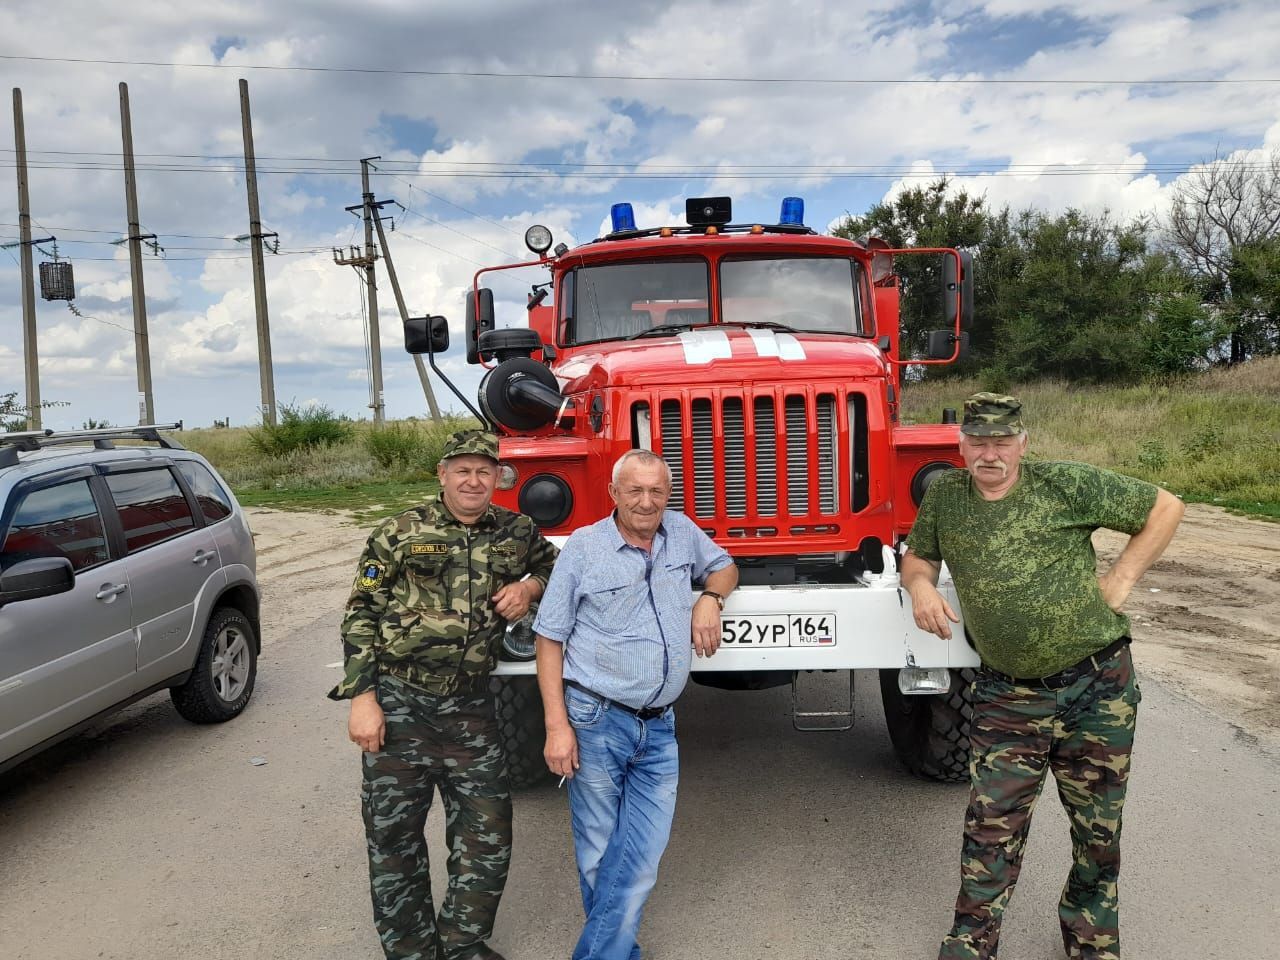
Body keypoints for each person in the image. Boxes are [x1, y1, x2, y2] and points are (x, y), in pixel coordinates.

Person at [902, 393, 1185, 960]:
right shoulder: (947, 498)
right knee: (991, 828)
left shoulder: (1063, 484)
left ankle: (1091, 939)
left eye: (1002, 442)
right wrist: (920, 586)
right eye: (978, 442)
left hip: (1096, 688)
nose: (990, 454)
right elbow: (919, 556)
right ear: (961, 446)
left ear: (1022, 443)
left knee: (1097, 832)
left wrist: (1123, 576)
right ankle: (970, 942)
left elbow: (1165, 507)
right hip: (1008, 695)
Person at [328, 428, 559, 960]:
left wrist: (528, 588)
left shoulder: (517, 530)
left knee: (487, 836)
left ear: (497, 478)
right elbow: (360, 612)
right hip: (400, 703)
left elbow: (554, 566)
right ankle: (409, 952)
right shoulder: (400, 531)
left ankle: (461, 944)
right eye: (463, 471)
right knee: (395, 841)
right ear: (443, 475)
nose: (474, 481)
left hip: (472, 707)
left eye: (484, 471)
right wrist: (362, 698)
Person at [533, 449, 739, 960]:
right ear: (613, 494)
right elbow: (549, 638)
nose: (647, 502)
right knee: (600, 854)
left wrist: (710, 598)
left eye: (657, 492)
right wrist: (556, 726)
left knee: (641, 858)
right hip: (595, 719)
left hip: (660, 728)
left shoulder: (682, 531)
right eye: (635, 491)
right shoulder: (584, 547)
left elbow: (725, 566)